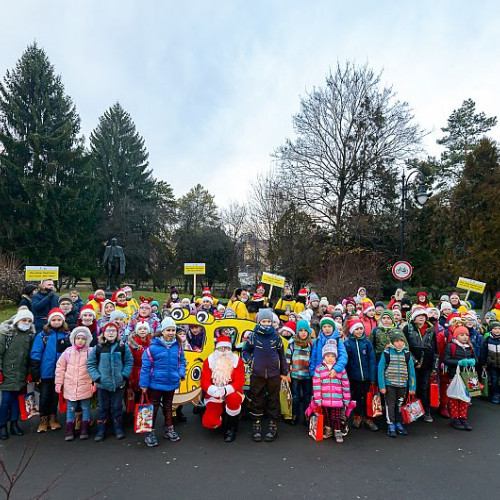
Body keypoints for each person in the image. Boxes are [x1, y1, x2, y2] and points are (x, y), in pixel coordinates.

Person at [139, 317, 186, 447]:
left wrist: (180, 373)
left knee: (168, 406)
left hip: (171, 382)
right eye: (168, 330)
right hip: (156, 383)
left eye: (173, 330)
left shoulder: (178, 346)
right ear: (162, 331)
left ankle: (169, 428)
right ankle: (149, 432)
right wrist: (143, 384)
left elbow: (182, 361)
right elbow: (145, 368)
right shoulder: (152, 348)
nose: (171, 332)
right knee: (152, 408)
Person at [242, 309, 288, 442]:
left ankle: (273, 424)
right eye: (264, 321)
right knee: (257, 397)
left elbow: (282, 355)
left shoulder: (276, 336)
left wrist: (284, 372)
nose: (266, 324)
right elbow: (245, 351)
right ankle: (256, 423)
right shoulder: (253, 336)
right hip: (257, 373)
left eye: (269, 321)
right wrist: (251, 361)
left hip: (274, 374)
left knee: (274, 398)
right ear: (259, 321)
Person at [87, 322, 133, 442]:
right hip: (103, 384)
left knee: (117, 407)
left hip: (119, 383)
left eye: (113, 330)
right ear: (103, 333)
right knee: (103, 408)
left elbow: (129, 362)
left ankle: (118, 428)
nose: (111, 333)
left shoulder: (122, 347)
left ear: (117, 333)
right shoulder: (99, 348)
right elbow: (91, 364)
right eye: (108, 330)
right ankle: (101, 430)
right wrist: (97, 378)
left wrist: (124, 375)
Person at [30, 308, 71, 433]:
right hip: (45, 372)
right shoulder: (43, 336)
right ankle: (43, 419)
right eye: (54, 320)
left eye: (59, 320)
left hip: (59, 372)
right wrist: (36, 374)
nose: (57, 322)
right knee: (44, 396)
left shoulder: (67, 335)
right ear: (49, 321)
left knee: (55, 396)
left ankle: (53, 418)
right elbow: (35, 354)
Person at [200, 335, 245, 442]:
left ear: (230, 350)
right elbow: (204, 380)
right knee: (209, 422)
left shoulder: (237, 361)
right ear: (216, 349)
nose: (224, 351)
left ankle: (231, 427)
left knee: (233, 399)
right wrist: (212, 390)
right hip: (214, 393)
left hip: (233, 391)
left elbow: (240, 381)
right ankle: (219, 420)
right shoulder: (209, 361)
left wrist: (226, 390)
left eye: (227, 348)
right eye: (221, 348)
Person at [54, 326, 95, 441]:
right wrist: (58, 383)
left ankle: (84, 429)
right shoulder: (68, 352)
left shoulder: (90, 352)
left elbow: (94, 369)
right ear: (74, 339)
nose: (80, 340)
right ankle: (69, 430)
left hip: (85, 385)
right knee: (70, 408)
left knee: (85, 407)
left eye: (83, 338)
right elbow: (60, 367)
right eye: (78, 338)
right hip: (70, 385)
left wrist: (94, 383)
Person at [0, 309, 34, 440]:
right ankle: (2, 425)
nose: (26, 323)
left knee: (17, 400)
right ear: (17, 320)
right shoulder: (6, 334)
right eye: (24, 320)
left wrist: (29, 373)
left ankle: (14, 423)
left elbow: (30, 357)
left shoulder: (29, 336)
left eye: (29, 321)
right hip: (8, 373)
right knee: (6, 400)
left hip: (21, 374)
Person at [378, 329, 416, 437]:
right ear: (392, 342)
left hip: (402, 384)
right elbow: (380, 370)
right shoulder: (387, 353)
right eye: (397, 341)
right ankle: (391, 424)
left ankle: (398, 423)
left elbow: (411, 372)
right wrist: (382, 386)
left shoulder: (407, 354)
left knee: (399, 405)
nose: (399, 343)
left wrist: (412, 387)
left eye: (401, 341)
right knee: (390, 405)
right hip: (390, 384)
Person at [403, 307, 438, 422]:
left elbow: (435, 349)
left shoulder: (431, 330)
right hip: (412, 364)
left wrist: (434, 366)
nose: (422, 317)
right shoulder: (408, 329)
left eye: (424, 315)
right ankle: (412, 411)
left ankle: (426, 411)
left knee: (424, 387)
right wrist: (414, 361)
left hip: (427, 364)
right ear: (414, 317)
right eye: (419, 315)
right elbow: (405, 347)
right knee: (412, 387)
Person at [312, 340, 351, 444]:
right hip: (324, 399)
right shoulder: (319, 369)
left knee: (336, 417)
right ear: (324, 356)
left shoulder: (340, 369)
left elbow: (345, 385)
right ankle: (328, 428)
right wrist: (318, 399)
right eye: (328, 355)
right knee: (327, 416)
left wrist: (346, 400)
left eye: (333, 356)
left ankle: (337, 431)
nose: (330, 358)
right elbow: (316, 385)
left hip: (337, 400)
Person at [344, 318, 378, 431]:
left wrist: (372, 377)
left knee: (368, 397)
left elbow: (372, 360)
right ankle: (357, 416)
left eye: (361, 329)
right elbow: (346, 362)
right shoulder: (347, 343)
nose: (359, 331)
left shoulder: (367, 342)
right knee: (356, 397)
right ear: (351, 330)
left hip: (367, 376)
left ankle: (368, 417)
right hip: (354, 377)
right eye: (356, 329)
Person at [443, 326, 475, 430]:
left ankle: (463, 417)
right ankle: (455, 418)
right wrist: (458, 363)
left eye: (466, 335)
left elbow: (475, 358)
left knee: (465, 398)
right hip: (454, 375)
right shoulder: (451, 346)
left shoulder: (469, 347)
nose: (465, 337)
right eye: (462, 335)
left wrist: (473, 361)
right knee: (455, 397)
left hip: (467, 375)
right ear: (456, 336)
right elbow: (446, 360)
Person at [285, 319, 313, 426]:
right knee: (295, 397)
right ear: (297, 332)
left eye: (305, 331)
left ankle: (307, 416)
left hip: (307, 375)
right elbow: (287, 360)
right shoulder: (292, 344)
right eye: (300, 330)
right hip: (295, 375)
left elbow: (313, 359)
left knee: (307, 397)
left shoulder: (310, 344)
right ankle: (294, 415)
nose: (303, 333)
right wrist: (287, 374)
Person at [128, 322, 152, 403]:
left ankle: (148, 414)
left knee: (149, 396)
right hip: (137, 373)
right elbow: (130, 361)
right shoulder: (132, 344)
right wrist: (131, 378)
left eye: (145, 329)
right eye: (140, 329)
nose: (142, 331)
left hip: (150, 373)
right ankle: (137, 413)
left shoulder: (152, 343)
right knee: (138, 397)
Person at [480, 320, 500, 404]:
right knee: (494, 379)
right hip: (492, 364)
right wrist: (483, 363)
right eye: (495, 328)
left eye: (499, 328)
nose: (497, 330)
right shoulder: (487, 340)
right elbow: (484, 352)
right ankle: (496, 394)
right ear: (491, 329)